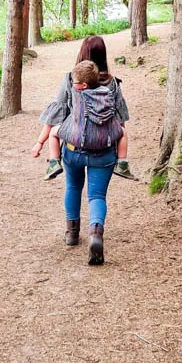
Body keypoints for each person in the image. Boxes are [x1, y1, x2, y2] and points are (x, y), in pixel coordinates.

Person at [33, 36, 133, 264]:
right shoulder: (112, 84)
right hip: (104, 150)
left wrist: (40, 141)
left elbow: (56, 113)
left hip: (72, 147)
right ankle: (96, 234)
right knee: (97, 195)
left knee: (73, 186)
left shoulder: (71, 80)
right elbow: (120, 121)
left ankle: (71, 234)